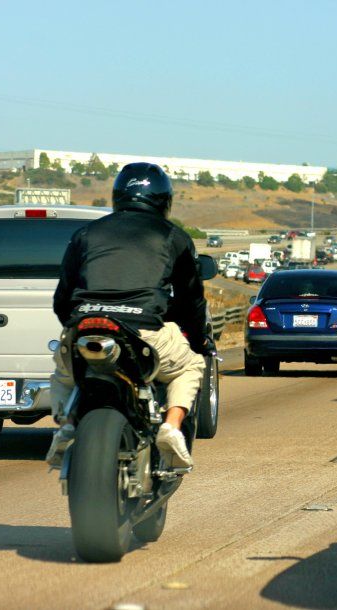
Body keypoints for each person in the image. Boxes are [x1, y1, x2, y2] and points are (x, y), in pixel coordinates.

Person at [49, 162, 207, 469]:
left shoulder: (86, 233)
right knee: (191, 365)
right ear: (164, 200)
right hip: (143, 332)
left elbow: (62, 298)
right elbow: (191, 300)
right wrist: (198, 341)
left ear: (118, 195)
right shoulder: (174, 237)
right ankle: (172, 427)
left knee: (62, 373)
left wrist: (77, 322)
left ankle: (67, 424)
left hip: (86, 328)